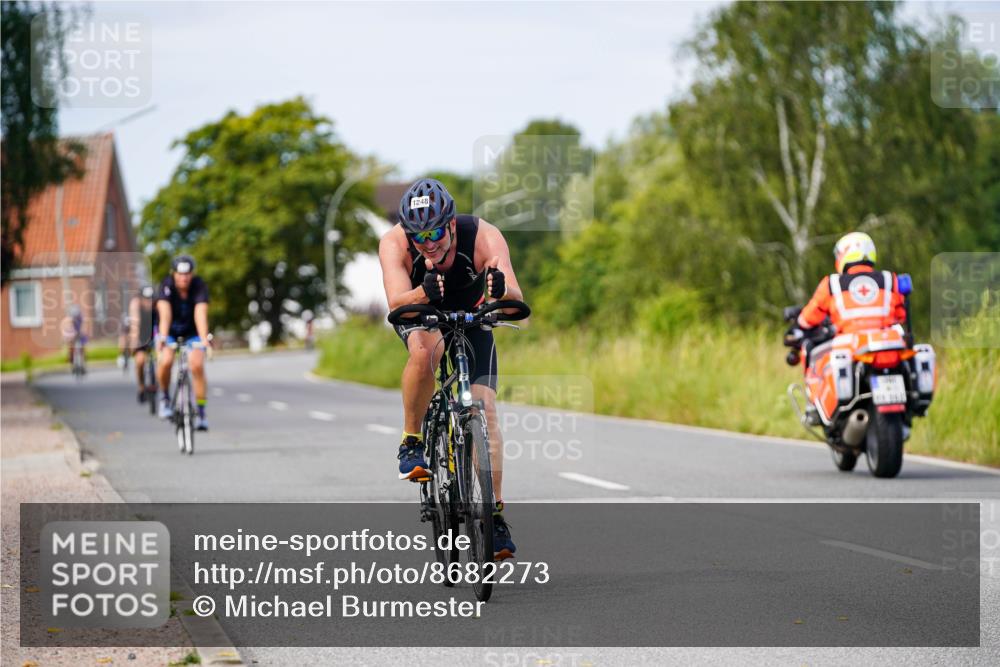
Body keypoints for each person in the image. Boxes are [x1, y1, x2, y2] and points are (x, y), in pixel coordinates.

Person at [378, 177, 524, 559]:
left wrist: (500, 290)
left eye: (436, 232)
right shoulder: (394, 243)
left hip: (471, 315)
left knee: (485, 408)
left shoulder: (483, 236)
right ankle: (412, 441)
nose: (429, 243)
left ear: (452, 223)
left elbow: (516, 301)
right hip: (420, 312)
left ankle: (493, 515)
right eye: (419, 236)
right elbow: (396, 303)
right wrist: (425, 292)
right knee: (427, 347)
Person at [796, 231, 908, 336]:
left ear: (845, 254)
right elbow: (901, 316)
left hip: (849, 348)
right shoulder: (890, 279)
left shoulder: (832, 284)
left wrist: (799, 320)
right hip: (886, 348)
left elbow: (808, 319)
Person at [155, 255, 211, 430]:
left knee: (196, 365)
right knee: (165, 362)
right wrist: (163, 337)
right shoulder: (166, 286)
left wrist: (204, 339)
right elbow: (165, 314)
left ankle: (201, 412)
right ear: (174, 274)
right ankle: (164, 397)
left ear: (192, 274)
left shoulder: (199, 286)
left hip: (192, 332)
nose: (184, 278)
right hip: (170, 331)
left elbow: (200, 313)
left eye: (187, 274)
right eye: (180, 274)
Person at [129, 285, 158, 402]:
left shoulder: (158, 306)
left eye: (151, 299)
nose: (149, 302)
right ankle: (141, 386)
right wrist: (134, 341)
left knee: (162, 360)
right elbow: (135, 325)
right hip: (141, 335)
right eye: (146, 299)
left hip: (155, 334)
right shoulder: (135, 305)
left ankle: (157, 382)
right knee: (140, 361)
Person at [60, 304, 87, 371]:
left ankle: (83, 363)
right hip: (72, 335)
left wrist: (83, 332)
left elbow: (84, 326)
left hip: (79, 334)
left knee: (82, 348)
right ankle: (71, 361)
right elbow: (66, 328)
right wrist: (66, 336)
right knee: (71, 348)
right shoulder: (68, 319)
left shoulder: (81, 318)